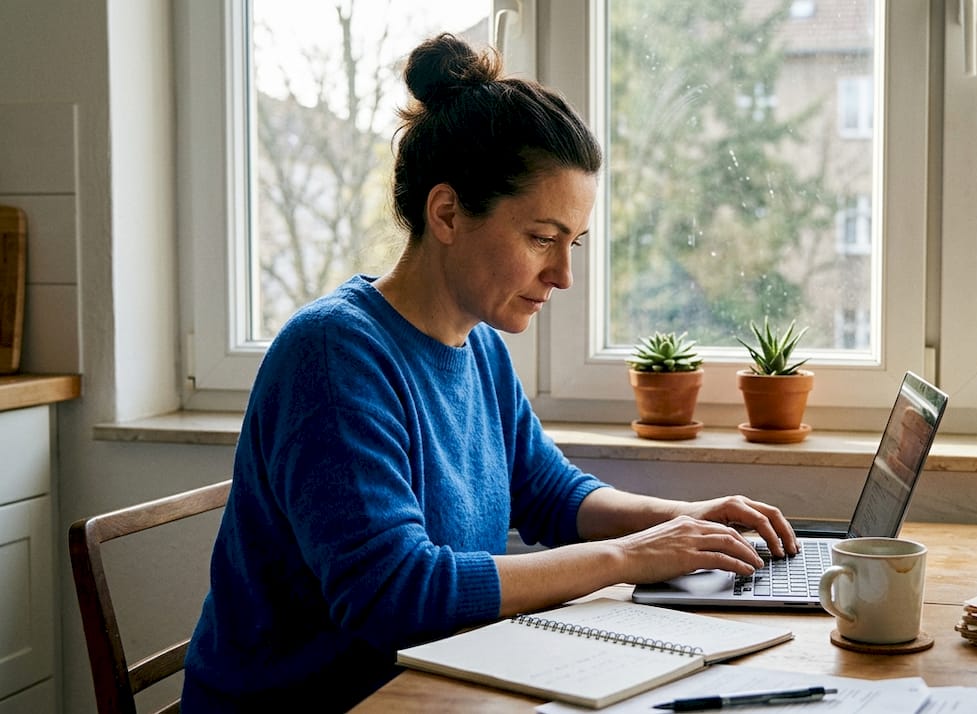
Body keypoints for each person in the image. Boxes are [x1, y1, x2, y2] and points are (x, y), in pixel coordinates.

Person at [181, 33, 798, 712]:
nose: (563, 275)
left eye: (574, 243)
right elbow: (394, 595)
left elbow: (548, 493)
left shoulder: (478, 346)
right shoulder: (333, 354)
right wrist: (633, 556)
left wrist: (685, 522)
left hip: (437, 685)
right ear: (446, 213)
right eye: (542, 239)